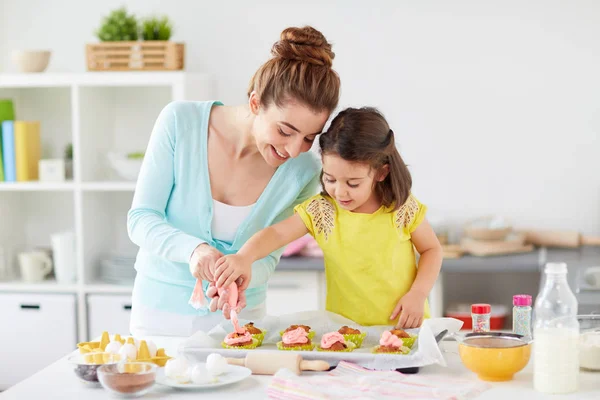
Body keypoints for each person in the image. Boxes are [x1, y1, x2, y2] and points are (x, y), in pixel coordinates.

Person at [126, 26, 341, 337]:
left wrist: (242, 273)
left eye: (309, 137)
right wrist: (194, 251)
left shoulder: (304, 171)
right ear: (255, 103)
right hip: (160, 315)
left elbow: (269, 254)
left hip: (243, 320)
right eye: (285, 131)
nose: (294, 149)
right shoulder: (179, 123)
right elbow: (141, 220)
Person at [214, 107, 443, 329]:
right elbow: (276, 233)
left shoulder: (401, 208)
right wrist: (244, 257)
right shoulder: (323, 211)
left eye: (353, 183)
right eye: (330, 179)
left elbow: (432, 250)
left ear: (381, 173)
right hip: (346, 333)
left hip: (405, 328)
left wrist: (418, 293)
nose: (340, 192)